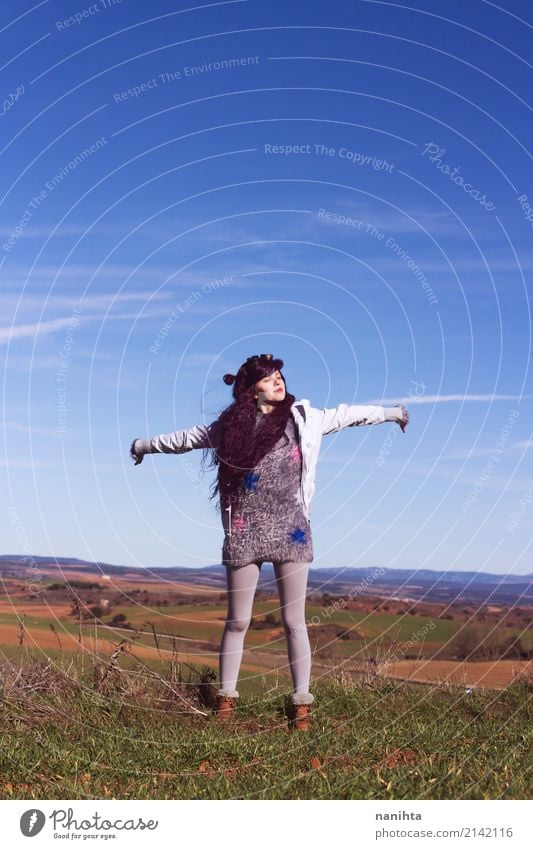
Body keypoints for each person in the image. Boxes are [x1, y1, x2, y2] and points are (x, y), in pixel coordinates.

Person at [130, 354, 409, 730]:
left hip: (291, 531)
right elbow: (185, 439)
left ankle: (301, 705)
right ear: (251, 389)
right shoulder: (229, 427)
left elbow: (349, 414)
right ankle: (226, 702)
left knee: (294, 621)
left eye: (279, 375)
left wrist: (392, 413)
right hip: (244, 530)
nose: (278, 381)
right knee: (237, 621)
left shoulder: (304, 418)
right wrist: (142, 445)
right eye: (268, 378)